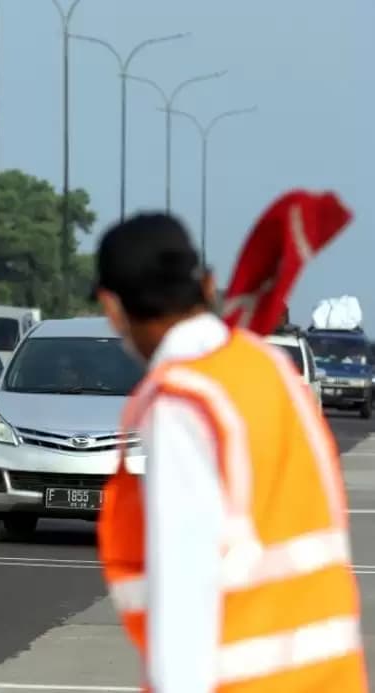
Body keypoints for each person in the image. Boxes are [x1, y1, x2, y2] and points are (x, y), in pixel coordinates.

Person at [91, 212, 366, 692]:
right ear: (207, 285)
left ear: (112, 308)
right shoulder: (271, 369)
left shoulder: (183, 401)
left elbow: (183, 591)